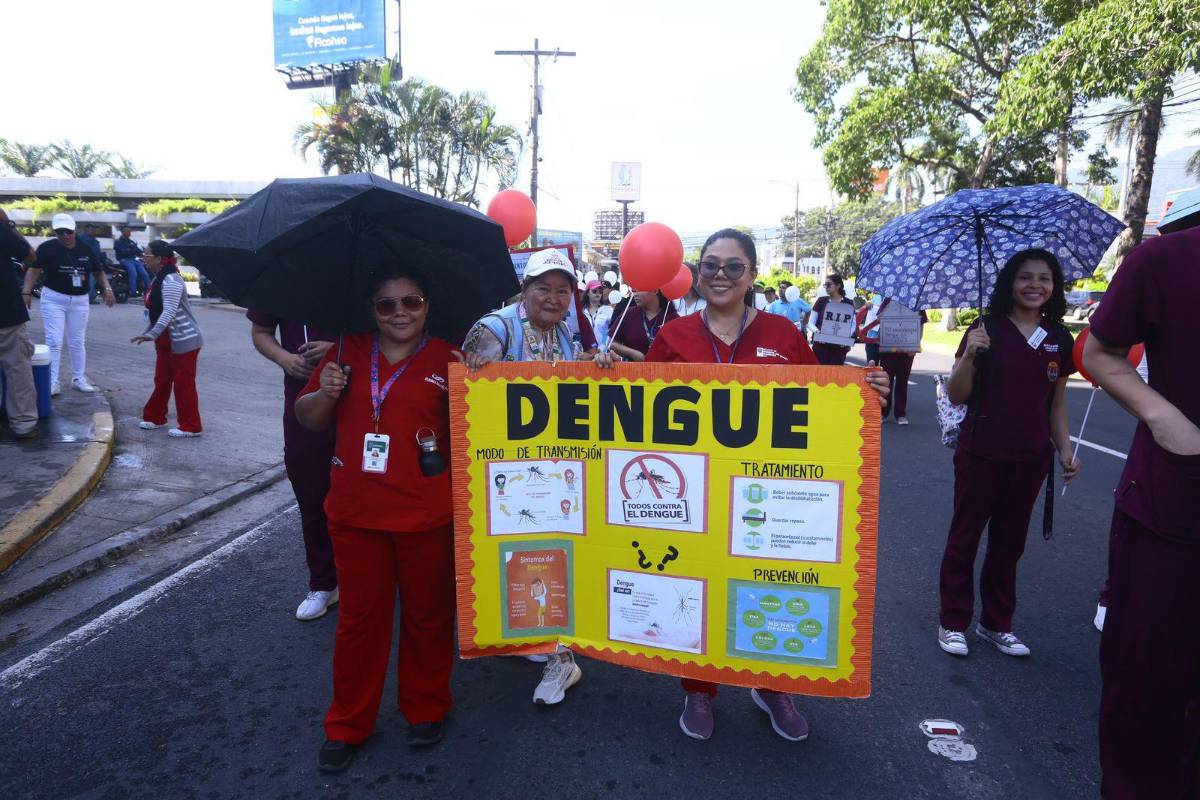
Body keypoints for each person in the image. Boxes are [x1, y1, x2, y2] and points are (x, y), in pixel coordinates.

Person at [644, 227, 890, 742]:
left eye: (734, 266)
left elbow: (825, 401)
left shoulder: (783, 335)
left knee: (771, 581)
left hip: (770, 493)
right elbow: (640, 414)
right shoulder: (673, 338)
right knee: (699, 582)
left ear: (753, 275)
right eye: (710, 265)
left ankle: (772, 684)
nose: (720, 276)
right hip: (696, 495)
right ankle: (699, 686)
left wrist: (866, 391)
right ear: (696, 272)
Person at [295, 263, 459, 773]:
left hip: (426, 514)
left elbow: (476, 432)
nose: (399, 313)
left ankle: (426, 707)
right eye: (387, 304)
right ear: (372, 310)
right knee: (359, 623)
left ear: (426, 305)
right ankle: (347, 723)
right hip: (356, 513)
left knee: (427, 617)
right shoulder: (345, 351)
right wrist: (328, 391)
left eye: (411, 301)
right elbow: (308, 419)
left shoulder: (450, 359)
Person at [462, 247, 619, 706]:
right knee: (511, 554)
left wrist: (595, 367)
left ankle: (560, 656)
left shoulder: (566, 334)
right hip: (501, 471)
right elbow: (471, 377)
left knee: (558, 552)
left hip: (551, 471)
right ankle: (527, 636)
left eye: (563, 289)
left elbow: (565, 387)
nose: (553, 298)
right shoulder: (495, 327)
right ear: (524, 290)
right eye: (543, 288)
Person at [1083, 222, 1200, 799]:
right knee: (1147, 697)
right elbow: (1099, 352)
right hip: (1174, 511)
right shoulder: (1168, 259)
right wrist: (1161, 416)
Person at [936, 249, 1080, 659]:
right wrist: (969, 354)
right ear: (1009, 283)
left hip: (1031, 457)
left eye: (1044, 279)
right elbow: (957, 394)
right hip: (981, 450)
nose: (1035, 286)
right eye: (1025, 278)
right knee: (964, 538)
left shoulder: (1057, 338)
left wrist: (1066, 450)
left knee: (1009, 543)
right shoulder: (985, 329)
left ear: (1054, 287)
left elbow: (1055, 405)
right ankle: (953, 621)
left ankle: (996, 624)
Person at [249, 309, 338, 621]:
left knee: (369, 493)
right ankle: (324, 583)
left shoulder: (363, 269)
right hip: (303, 399)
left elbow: (394, 330)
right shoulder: (283, 270)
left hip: (363, 397)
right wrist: (284, 358)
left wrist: (339, 349)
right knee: (311, 490)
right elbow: (261, 333)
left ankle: (373, 578)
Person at [22, 213, 115, 395]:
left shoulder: (86, 249)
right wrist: (26, 291)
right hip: (54, 299)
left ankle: (78, 378)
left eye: (68, 231)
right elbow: (33, 271)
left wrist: (108, 288)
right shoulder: (47, 248)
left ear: (74, 231)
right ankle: (52, 381)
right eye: (60, 232)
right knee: (54, 341)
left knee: (77, 341)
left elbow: (98, 272)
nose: (64, 235)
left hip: (79, 301)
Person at [130, 241, 203, 438]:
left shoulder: (171, 280)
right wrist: (149, 332)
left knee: (183, 383)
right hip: (165, 339)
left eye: (146, 256)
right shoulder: (157, 279)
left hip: (184, 339)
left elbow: (169, 311)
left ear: (159, 259)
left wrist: (150, 334)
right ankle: (155, 417)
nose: (144, 260)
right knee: (162, 380)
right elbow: (155, 313)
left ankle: (191, 426)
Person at [0, 210, 38, 439]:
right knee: (17, 372)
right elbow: (31, 256)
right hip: (7, 314)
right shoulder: (2, 230)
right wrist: (8, 224)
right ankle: (23, 424)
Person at [876, 299, 927, 425]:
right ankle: (883, 413)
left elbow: (921, 325)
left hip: (907, 350)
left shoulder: (917, 301)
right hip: (888, 349)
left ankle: (900, 414)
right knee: (886, 382)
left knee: (902, 382)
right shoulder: (888, 300)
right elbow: (879, 319)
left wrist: (916, 344)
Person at [607, 288, 679, 362]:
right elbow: (611, 343)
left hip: (664, 372)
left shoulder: (673, 318)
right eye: (633, 289)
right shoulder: (629, 314)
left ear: (654, 290)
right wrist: (632, 353)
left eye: (639, 288)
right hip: (632, 371)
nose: (634, 292)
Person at [810, 274, 856, 365]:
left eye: (829, 284)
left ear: (838, 285)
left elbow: (853, 324)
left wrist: (846, 336)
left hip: (839, 346)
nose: (826, 287)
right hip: (821, 345)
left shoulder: (849, 303)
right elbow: (811, 323)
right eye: (825, 285)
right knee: (820, 372)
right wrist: (819, 333)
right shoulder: (821, 301)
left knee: (835, 373)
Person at [114, 225, 150, 299]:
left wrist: (139, 251)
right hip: (124, 260)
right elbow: (123, 252)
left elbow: (138, 251)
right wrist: (132, 250)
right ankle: (133, 292)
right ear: (122, 232)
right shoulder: (118, 242)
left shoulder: (131, 241)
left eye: (130, 231)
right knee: (133, 273)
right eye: (127, 231)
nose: (129, 233)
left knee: (145, 273)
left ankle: (149, 291)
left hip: (134, 259)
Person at [76, 223, 108, 305]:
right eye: (92, 228)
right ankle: (89, 299)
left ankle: (90, 297)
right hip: (85, 264)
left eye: (95, 228)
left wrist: (103, 260)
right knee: (90, 281)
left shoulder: (92, 239)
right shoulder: (81, 238)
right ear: (87, 229)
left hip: (93, 263)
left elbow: (96, 252)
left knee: (92, 281)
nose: (94, 230)